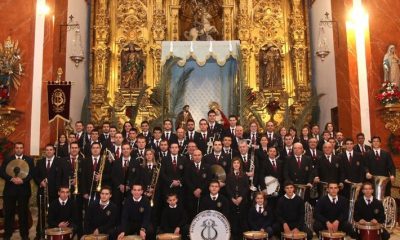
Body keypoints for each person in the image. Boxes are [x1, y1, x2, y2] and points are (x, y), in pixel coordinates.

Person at [0, 142, 34, 240]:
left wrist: (22, 180)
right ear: (15, 149)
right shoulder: (8, 159)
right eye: (17, 148)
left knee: (23, 213)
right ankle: (8, 234)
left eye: (21, 148)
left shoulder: (29, 160)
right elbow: (1, 172)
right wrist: (11, 179)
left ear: (23, 149)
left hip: (24, 190)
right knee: (9, 213)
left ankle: (25, 235)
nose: (19, 149)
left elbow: (32, 173)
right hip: (10, 190)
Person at [34, 144, 69, 239]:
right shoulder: (39, 162)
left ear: (54, 151)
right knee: (42, 214)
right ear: (45, 151)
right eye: (47, 150)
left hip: (56, 193)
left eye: (50, 150)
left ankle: (55, 234)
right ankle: (39, 234)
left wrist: (62, 191)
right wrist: (40, 182)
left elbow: (65, 176)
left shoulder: (61, 161)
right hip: (43, 192)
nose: (48, 151)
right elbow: (35, 175)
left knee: (55, 214)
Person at [111, 142, 141, 211]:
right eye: (124, 149)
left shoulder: (136, 162)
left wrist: (129, 186)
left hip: (131, 191)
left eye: (127, 149)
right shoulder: (116, 162)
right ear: (121, 150)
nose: (126, 150)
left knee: (130, 210)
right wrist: (119, 185)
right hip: (118, 191)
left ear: (130, 150)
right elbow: (112, 175)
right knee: (117, 210)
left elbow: (138, 176)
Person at [64, 142, 85, 237]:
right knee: (67, 213)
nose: (74, 149)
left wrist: (78, 181)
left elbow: (85, 176)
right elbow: (61, 175)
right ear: (69, 149)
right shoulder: (63, 161)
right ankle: (68, 233)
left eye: (76, 148)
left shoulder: (83, 160)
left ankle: (79, 233)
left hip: (78, 191)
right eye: (72, 148)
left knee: (78, 213)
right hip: (66, 192)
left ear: (79, 149)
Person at [226, 158, 249, 240]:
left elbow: (246, 187)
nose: (236, 164)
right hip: (232, 201)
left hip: (242, 201)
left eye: (237, 163)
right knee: (233, 220)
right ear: (232, 165)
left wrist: (241, 197)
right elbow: (227, 188)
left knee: (242, 220)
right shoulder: (229, 175)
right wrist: (232, 198)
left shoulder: (244, 175)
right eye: (234, 163)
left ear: (240, 165)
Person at [184, 149, 210, 220]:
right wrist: (194, 190)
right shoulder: (188, 166)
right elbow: (186, 180)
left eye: (199, 155)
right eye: (195, 155)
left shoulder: (207, 167)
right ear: (192, 156)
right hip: (191, 194)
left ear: (202, 156)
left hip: (203, 194)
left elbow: (208, 180)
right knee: (191, 213)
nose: (197, 157)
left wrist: (200, 189)